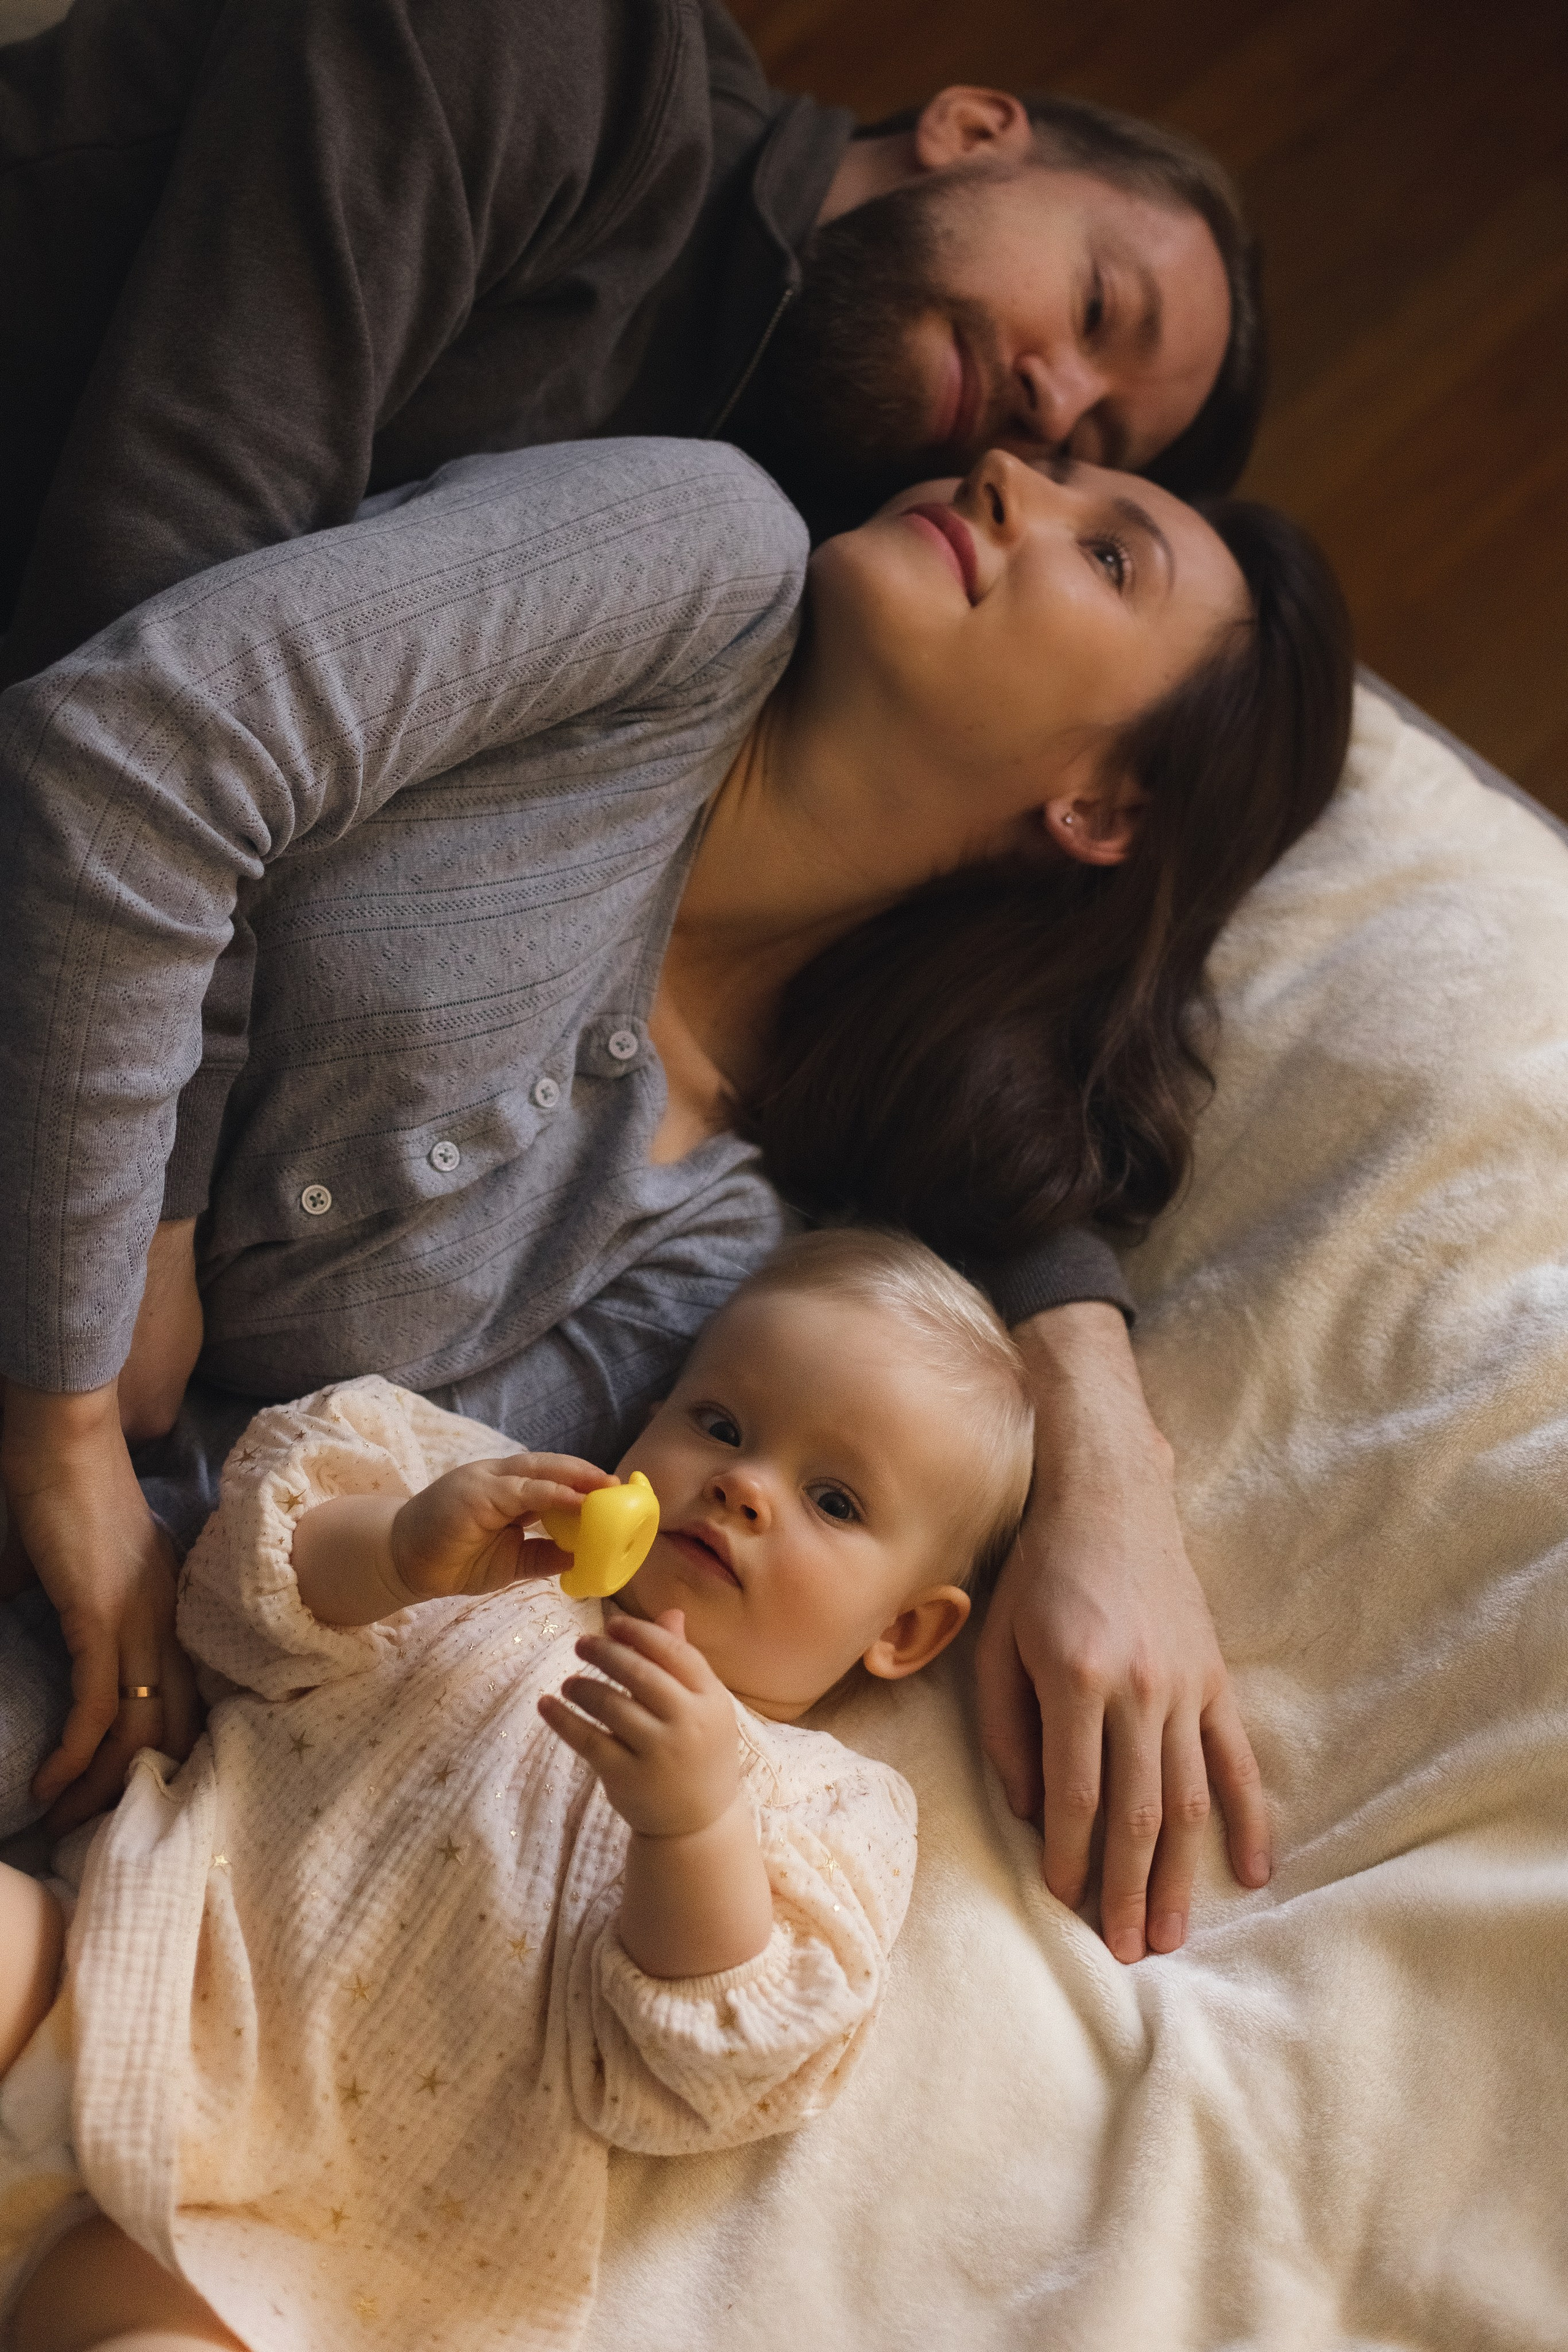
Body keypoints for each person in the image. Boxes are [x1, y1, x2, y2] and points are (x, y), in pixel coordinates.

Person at [0, 431, 1350, 1968]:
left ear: (1105, 808)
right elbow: (117, 760)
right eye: (1044, 472)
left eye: (1106, 555)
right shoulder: (697, 556)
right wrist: (60, 1407)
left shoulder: (719, 1259)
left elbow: (242, 1530)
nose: (1000, 481)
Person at [0, 1231, 1035, 2349]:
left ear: (906, 1629)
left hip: (300, 2232)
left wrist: (691, 1826)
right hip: (112, 1965)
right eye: (721, 1426)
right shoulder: (486, 1528)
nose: (742, 1486)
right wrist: (398, 1550)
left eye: (833, 1501)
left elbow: (726, 2062)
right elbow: (239, 1589)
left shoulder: (820, 1802)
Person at [0, 0, 1262, 687]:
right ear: (977, 128)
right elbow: (161, 576)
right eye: (1096, 310)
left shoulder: (752, 563)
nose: (1049, 401)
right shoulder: (575, 49)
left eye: (1085, 441)